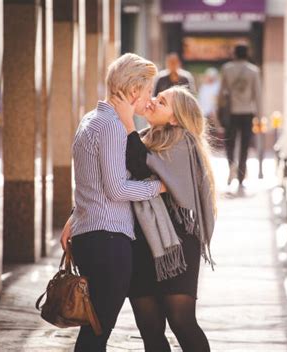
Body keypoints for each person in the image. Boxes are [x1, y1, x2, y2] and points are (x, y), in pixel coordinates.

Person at [59, 53, 167, 351]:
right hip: (107, 241)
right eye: (148, 91)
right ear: (134, 91)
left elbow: (89, 182)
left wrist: (74, 215)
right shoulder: (111, 127)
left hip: (92, 236)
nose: (150, 98)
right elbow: (117, 189)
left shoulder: (91, 119)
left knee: (95, 328)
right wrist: (157, 187)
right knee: (97, 331)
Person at [111, 85, 216, 352]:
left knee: (181, 321)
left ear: (174, 118)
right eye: (156, 97)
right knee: (150, 327)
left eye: (162, 101)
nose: (154, 102)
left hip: (177, 244)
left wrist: (126, 120)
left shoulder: (183, 141)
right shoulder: (144, 138)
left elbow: (140, 166)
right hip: (140, 242)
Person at [219, 44, 262, 191]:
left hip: (231, 112)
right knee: (244, 145)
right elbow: (258, 95)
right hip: (247, 112)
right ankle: (241, 176)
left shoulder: (227, 68)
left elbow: (221, 94)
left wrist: (219, 111)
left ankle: (231, 167)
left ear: (235, 54)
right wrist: (260, 117)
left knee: (230, 143)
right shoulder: (253, 71)